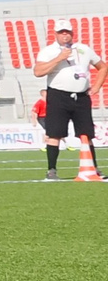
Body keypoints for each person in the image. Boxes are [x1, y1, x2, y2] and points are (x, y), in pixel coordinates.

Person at [34, 21, 100, 181]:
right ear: (55, 34)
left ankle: (93, 169)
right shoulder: (48, 51)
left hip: (81, 96)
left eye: (67, 32)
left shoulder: (84, 49)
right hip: (58, 96)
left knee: (86, 134)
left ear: (72, 33)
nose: (65, 35)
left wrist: (97, 85)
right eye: (61, 32)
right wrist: (59, 58)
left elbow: (102, 66)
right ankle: (51, 170)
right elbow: (38, 72)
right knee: (54, 134)